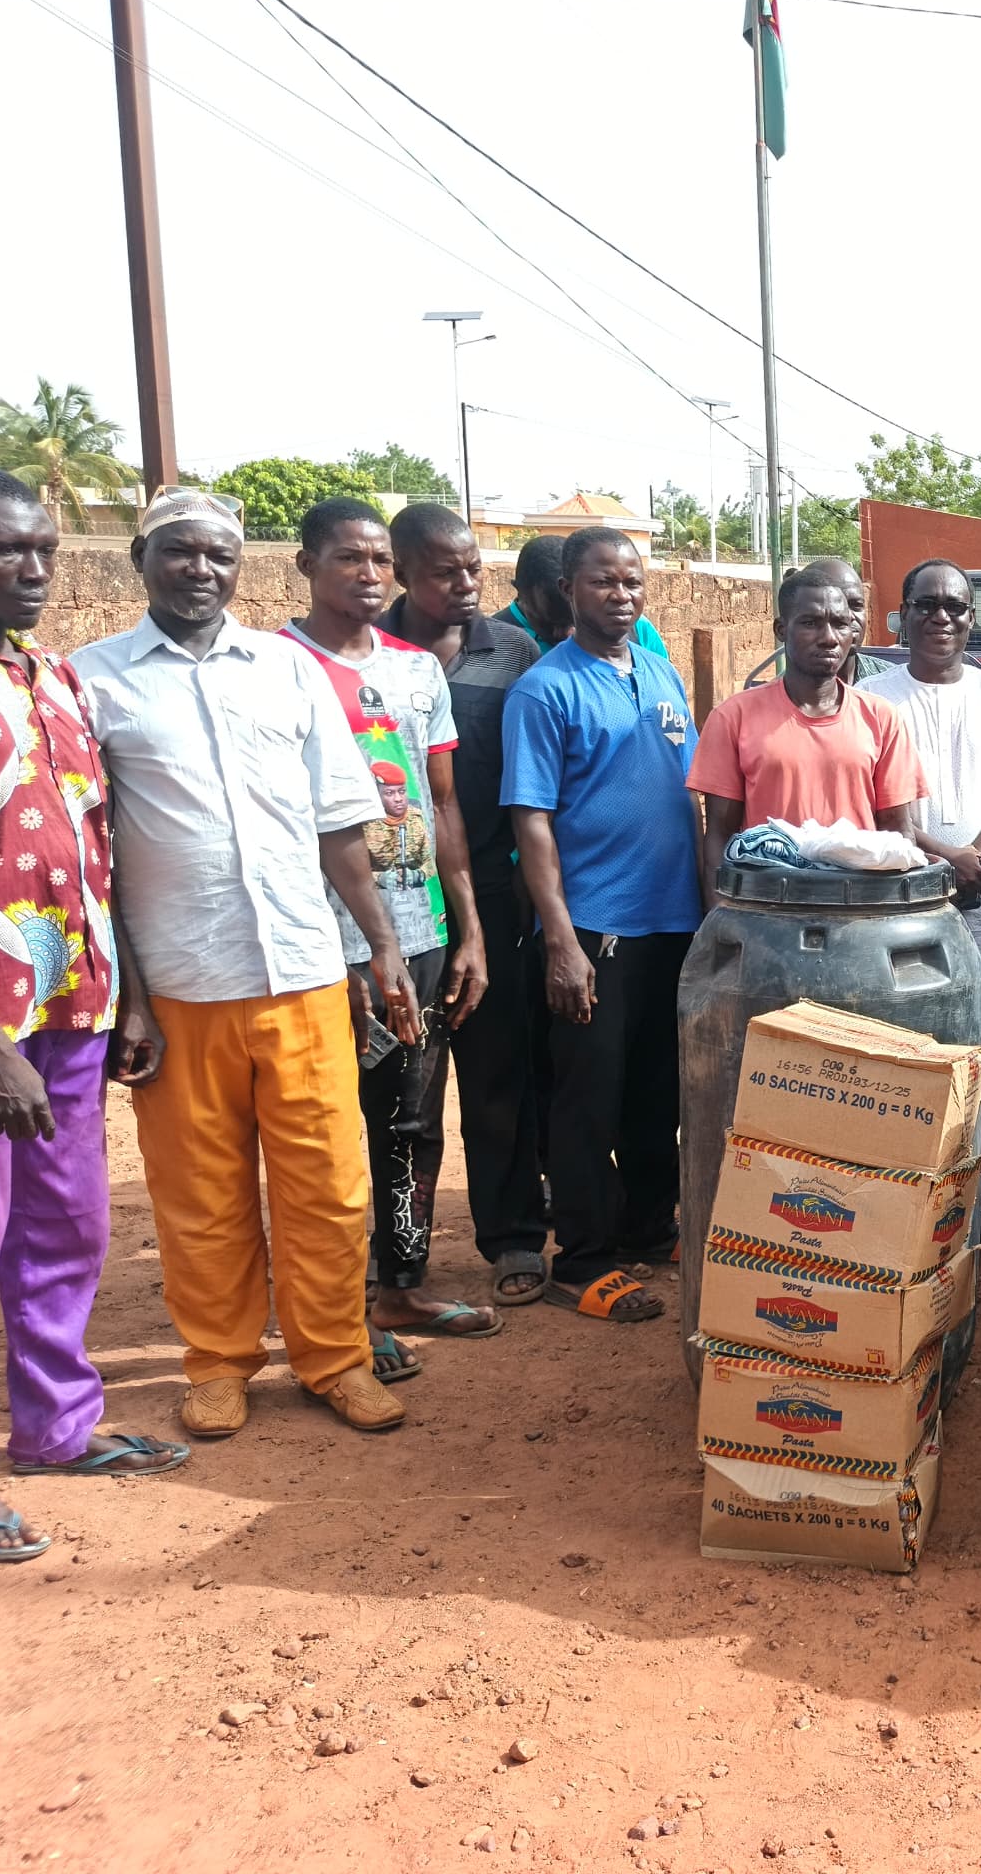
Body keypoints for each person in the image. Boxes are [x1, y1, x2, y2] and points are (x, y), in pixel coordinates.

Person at [77, 489, 420, 1438]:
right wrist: (130, 1003)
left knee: (328, 1180)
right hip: (182, 984)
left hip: (304, 970)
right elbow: (93, 858)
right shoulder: (92, 682)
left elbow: (339, 822)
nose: (200, 570)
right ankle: (219, 1362)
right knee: (200, 1191)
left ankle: (334, 1357)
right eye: (180, 553)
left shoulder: (288, 670)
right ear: (140, 558)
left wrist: (381, 946)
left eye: (218, 556)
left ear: (240, 567)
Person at [0, 470, 185, 1563]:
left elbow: (91, 837)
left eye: (44, 550)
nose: (33, 571)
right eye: (5, 552)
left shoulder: (51, 675)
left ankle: (56, 1426)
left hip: (72, 999)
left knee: (66, 1222)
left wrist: (122, 992)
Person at [281, 500, 497, 1351]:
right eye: (348, 559)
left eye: (378, 560)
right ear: (305, 564)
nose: (367, 575)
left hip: (419, 929)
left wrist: (468, 929)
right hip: (313, 939)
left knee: (410, 1116)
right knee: (323, 1124)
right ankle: (327, 1304)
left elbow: (444, 806)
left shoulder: (417, 673)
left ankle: (400, 1286)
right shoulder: (274, 665)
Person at [502, 527, 704, 1324]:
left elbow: (684, 797)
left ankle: (650, 1228)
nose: (620, 596)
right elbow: (531, 819)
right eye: (602, 582)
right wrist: (560, 940)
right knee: (589, 1099)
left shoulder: (659, 673)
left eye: (631, 582)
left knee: (661, 1093)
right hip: (594, 930)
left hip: (673, 921)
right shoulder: (545, 691)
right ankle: (582, 1258)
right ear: (567, 588)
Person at [383, 503, 552, 1308]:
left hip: (488, 895)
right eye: (445, 571)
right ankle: (401, 1256)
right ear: (400, 570)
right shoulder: (363, 654)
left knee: (497, 1081)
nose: (465, 585)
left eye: (474, 569)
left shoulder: (514, 654)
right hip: (389, 904)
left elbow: (532, 788)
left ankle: (513, 1236)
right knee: (402, 1097)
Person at [865, 562, 981, 1258]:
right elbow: (877, 807)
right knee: (908, 1047)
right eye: (926, 605)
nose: (942, 617)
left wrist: (978, 852)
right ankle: (909, 1199)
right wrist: (945, 859)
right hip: (903, 899)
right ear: (901, 615)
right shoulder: (874, 698)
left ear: (973, 619)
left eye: (956, 607)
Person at [689, 565, 922, 868]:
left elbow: (897, 831)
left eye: (840, 624)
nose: (829, 638)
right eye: (811, 623)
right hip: (767, 905)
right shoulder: (732, 718)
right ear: (781, 629)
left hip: (863, 906)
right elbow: (719, 834)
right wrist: (719, 910)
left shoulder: (882, 718)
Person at [503, 532, 668, 660]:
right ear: (520, 592)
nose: (567, 634)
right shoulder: (495, 645)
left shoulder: (637, 628)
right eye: (552, 624)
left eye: (573, 619)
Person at [762, 555, 890, 684]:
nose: (847, 617)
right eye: (811, 622)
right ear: (781, 630)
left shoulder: (894, 686)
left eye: (855, 605)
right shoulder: (763, 702)